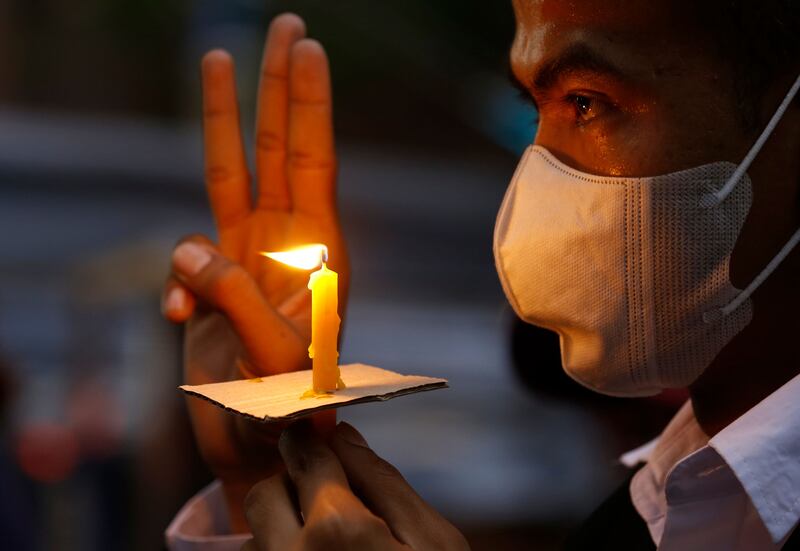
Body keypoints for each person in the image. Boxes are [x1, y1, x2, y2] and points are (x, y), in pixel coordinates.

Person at [163, 2, 800, 549]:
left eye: (586, 102)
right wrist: (262, 480)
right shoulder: (662, 512)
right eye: (533, 109)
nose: (534, 190)